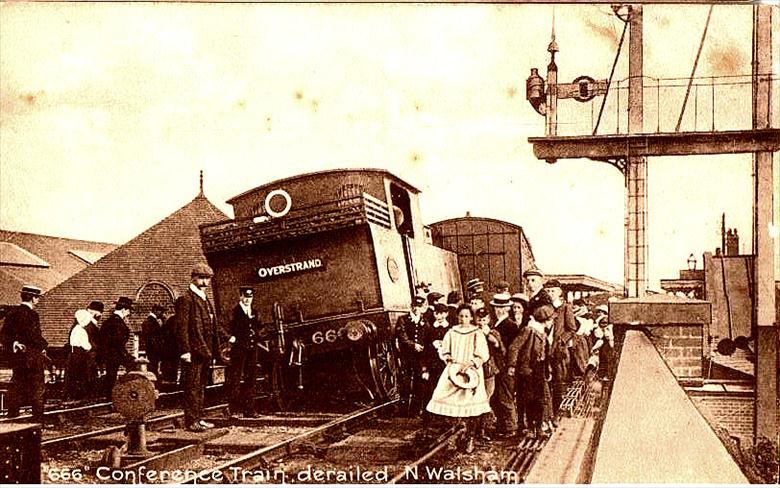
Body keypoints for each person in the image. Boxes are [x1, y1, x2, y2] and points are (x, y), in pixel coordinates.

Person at [426, 304, 492, 454]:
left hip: (471, 371)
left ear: (471, 317)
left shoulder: (477, 333)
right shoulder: (451, 332)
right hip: (454, 371)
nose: (464, 319)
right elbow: (445, 350)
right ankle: (454, 437)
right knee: (447, 401)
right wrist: (448, 357)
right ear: (457, 316)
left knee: (471, 405)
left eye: (467, 316)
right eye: (461, 316)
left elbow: (483, 354)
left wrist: (471, 363)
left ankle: (470, 438)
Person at [176, 262, 221, 432]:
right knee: (192, 387)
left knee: (201, 386)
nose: (204, 282)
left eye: (207, 279)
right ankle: (191, 421)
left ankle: (199, 418)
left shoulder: (205, 299)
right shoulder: (186, 299)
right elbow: (182, 328)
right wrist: (185, 351)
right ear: (193, 278)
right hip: (193, 353)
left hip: (205, 351)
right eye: (201, 278)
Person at [0, 285, 48, 422]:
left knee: (16, 386)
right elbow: (34, 336)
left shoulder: (12, 313)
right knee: (37, 389)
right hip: (33, 357)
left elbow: (3, 335)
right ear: (33, 298)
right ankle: (37, 421)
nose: (37, 300)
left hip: (18, 358)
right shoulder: (33, 315)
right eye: (37, 297)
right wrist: (44, 346)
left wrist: (14, 344)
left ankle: (12, 417)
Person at [507, 305, 555, 438]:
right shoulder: (529, 330)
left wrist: (547, 370)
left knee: (539, 399)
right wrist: (512, 365)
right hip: (527, 370)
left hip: (539, 369)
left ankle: (539, 428)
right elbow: (514, 347)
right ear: (544, 320)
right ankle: (530, 428)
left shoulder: (542, 333)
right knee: (529, 398)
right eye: (550, 319)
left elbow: (545, 354)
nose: (552, 322)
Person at [224, 286, 262, 419]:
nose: (248, 300)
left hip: (252, 350)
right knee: (235, 378)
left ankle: (249, 410)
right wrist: (230, 337)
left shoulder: (254, 312)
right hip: (239, 350)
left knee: (250, 379)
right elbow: (222, 326)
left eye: (250, 297)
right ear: (240, 296)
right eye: (245, 297)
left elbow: (259, 327)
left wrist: (257, 335)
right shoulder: (234, 312)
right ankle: (233, 411)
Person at [544, 279, 576, 412]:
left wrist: (562, 340)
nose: (550, 293)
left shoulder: (565, 307)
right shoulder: (545, 307)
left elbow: (571, 329)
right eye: (548, 291)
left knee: (558, 381)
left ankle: (556, 411)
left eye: (553, 291)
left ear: (559, 292)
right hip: (544, 347)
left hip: (558, 350)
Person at [489, 292, 518, 438]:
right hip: (497, 365)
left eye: (503, 307)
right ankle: (502, 425)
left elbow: (513, 348)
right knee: (497, 396)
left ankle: (511, 427)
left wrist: (510, 365)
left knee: (505, 396)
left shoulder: (511, 325)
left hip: (505, 365)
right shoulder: (496, 323)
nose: (499, 310)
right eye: (497, 307)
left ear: (508, 308)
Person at [395, 295, 428, 417]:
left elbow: (427, 335)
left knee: (420, 383)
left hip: (420, 357)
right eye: (415, 306)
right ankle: (403, 411)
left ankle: (415, 411)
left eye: (419, 306)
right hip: (407, 356)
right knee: (406, 381)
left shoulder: (424, 320)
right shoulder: (403, 319)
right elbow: (402, 336)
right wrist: (413, 345)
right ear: (411, 306)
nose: (417, 309)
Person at [419, 302, 450, 421]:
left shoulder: (450, 329)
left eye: (442, 313)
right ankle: (431, 417)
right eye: (437, 313)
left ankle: (446, 416)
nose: (440, 316)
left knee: (446, 389)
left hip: (446, 365)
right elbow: (425, 350)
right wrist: (424, 368)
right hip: (433, 365)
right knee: (432, 389)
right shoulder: (429, 329)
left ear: (446, 314)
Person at [475, 307, 501, 443]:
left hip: (489, 369)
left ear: (489, 320)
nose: (481, 322)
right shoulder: (472, 332)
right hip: (475, 369)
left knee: (487, 399)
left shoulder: (493, 332)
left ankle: (484, 430)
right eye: (479, 319)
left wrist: (487, 334)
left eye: (484, 319)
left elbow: (498, 345)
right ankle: (477, 431)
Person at [101, 297, 135, 400]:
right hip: (114, 354)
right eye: (128, 310)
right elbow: (117, 343)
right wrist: (127, 356)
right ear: (124, 309)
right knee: (115, 374)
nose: (129, 313)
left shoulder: (109, 321)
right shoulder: (117, 323)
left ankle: (111, 397)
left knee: (111, 375)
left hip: (110, 354)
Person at [65, 309, 98, 401]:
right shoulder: (81, 331)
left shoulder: (75, 329)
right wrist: (92, 348)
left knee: (73, 375)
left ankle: (72, 395)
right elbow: (86, 345)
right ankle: (81, 395)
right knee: (82, 374)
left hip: (73, 354)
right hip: (80, 355)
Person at [141, 304, 166, 377]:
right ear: (156, 311)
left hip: (152, 350)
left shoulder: (151, 321)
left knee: (154, 368)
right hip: (153, 350)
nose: (162, 314)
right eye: (161, 312)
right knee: (153, 368)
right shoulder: (151, 321)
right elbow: (153, 337)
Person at [159, 313, 180, 385]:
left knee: (170, 367)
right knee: (171, 367)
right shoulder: (175, 320)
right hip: (172, 349)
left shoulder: (172, 319)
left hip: (169, 349)